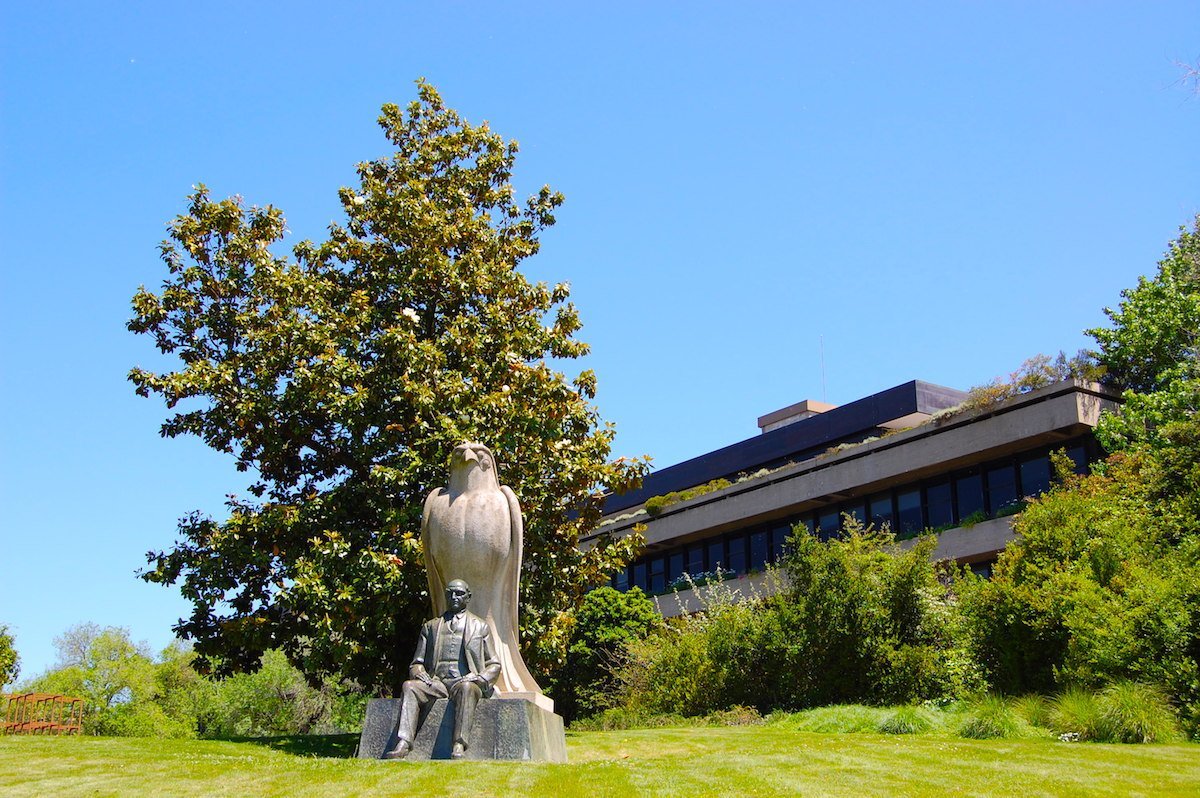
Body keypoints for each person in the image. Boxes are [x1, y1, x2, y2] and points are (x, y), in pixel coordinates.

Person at [383, 579, 501, 759]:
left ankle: (459, 744)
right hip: (436, 682)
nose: (454, 597)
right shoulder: (430, 627)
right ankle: (404, 742)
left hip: (464, 682)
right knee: (409, 686)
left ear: (468, 597)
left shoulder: (480, 627)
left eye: (459, 593)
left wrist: (479, 678)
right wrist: (419, 673)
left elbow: (494, 663)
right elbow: (417, 662)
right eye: (450, 593)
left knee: (467, 688)